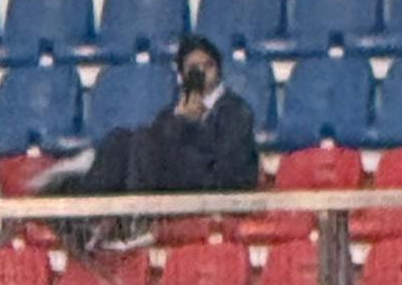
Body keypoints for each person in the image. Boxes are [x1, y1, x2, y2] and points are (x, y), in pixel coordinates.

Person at [46, 32, 259, 202]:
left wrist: (189, 124)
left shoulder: (236, 110)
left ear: (218, 69)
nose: (201, 73)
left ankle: (134, 217)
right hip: (176, 180)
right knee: (119, 140)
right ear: (182, 74)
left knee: (142, 141)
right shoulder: (173, 111)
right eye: (193, 68)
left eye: (208, 66)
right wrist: (179, 119)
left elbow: (224, 163)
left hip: (216, 184)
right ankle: (84, 203)